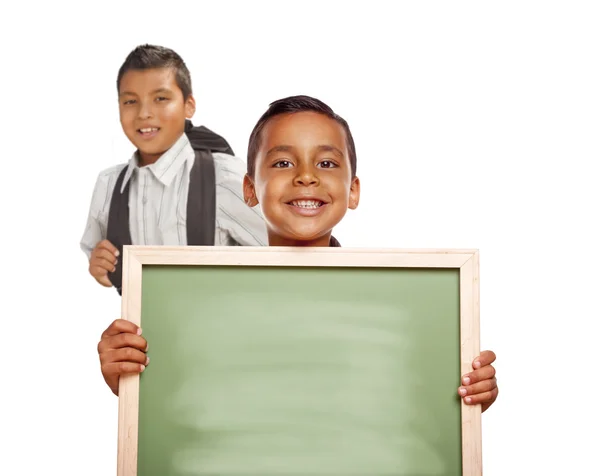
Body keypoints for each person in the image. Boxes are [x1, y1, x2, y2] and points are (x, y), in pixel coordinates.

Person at [97, 95, 498, 412]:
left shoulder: (403, 307)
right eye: (284, 162)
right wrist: (129, 380)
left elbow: (412, 399)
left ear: (352, 189)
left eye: (326, 162)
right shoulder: (198, 301)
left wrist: (468, 392)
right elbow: (185, 400)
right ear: (249, 189)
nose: (306, 176)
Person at [80, 44, 267, 294]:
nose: (144, 113)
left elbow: (278, 255)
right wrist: (100, 266)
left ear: (189, 105)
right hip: (142, 331)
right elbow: (98, 256)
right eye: (131, 101)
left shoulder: (224, 177)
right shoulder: (109, 184)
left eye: (161, 98)